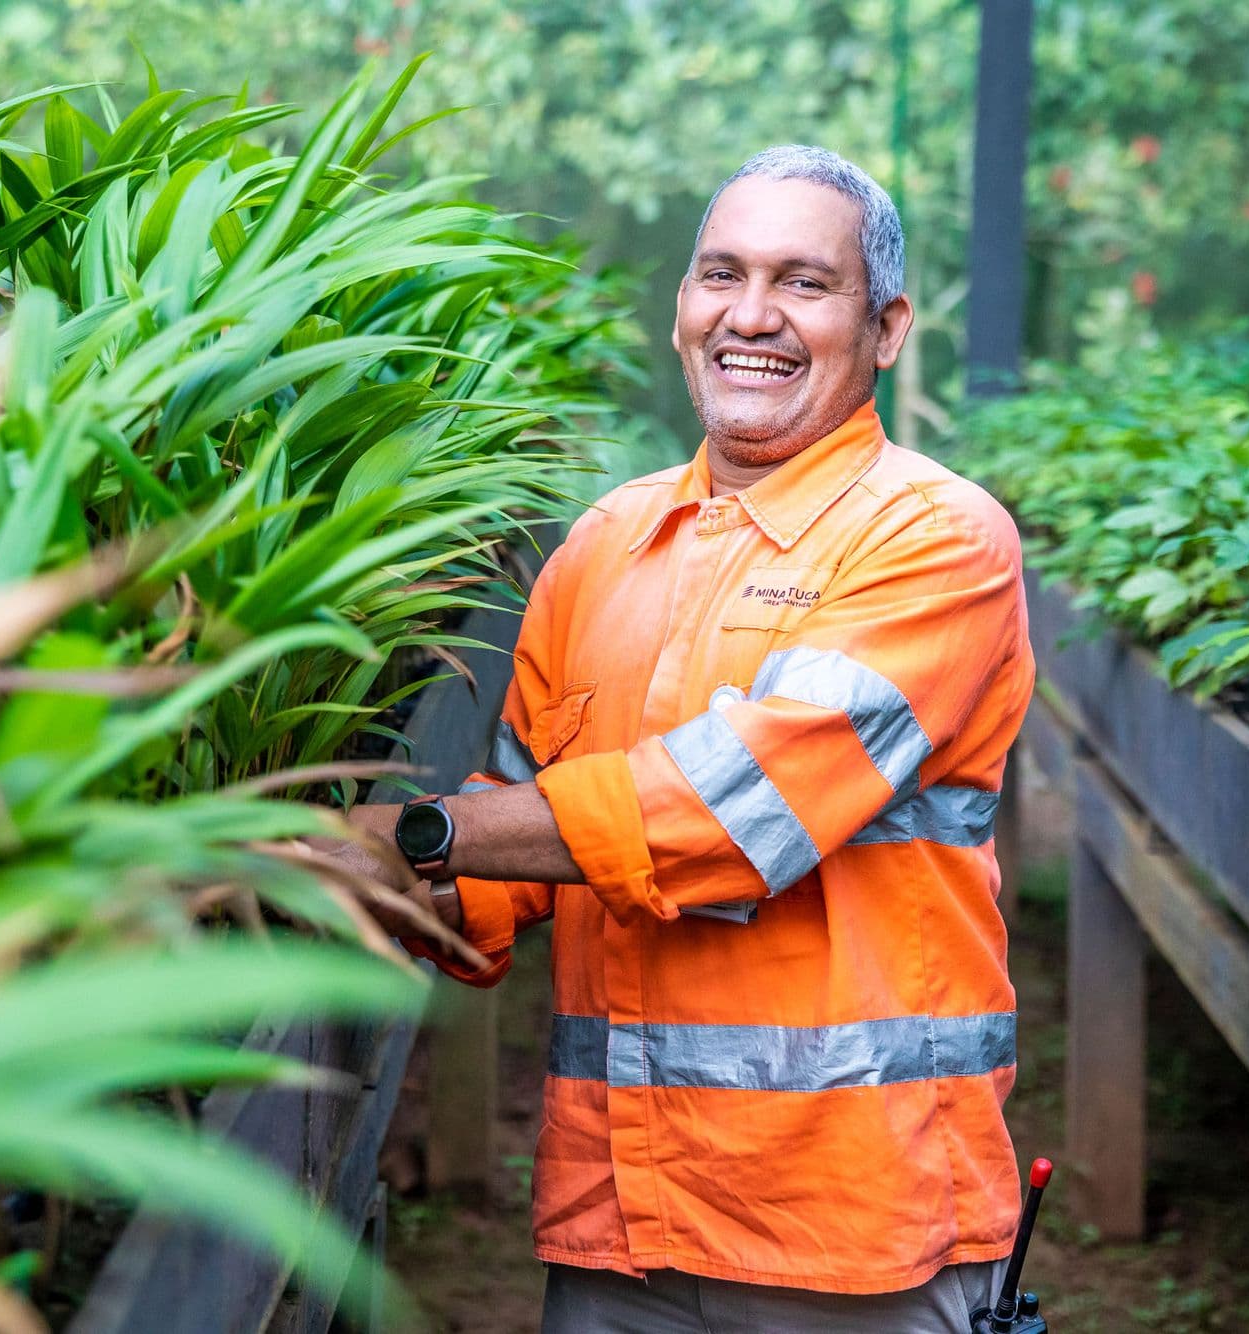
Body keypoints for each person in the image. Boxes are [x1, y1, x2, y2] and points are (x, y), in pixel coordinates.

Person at [331, 144, 1034, 1332]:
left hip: (851, 1226)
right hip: (620, 1219)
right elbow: (518, 833)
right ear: (680, 309)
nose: (749, 314)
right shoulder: (604, 543)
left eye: (804, 283)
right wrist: (336, 883)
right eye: (721, 273)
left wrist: (414, 832)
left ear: (887, 327)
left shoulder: (935, 536)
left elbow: (727, 811)